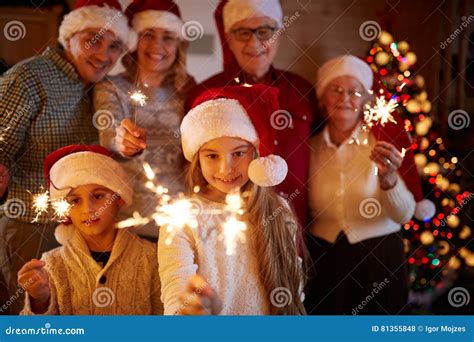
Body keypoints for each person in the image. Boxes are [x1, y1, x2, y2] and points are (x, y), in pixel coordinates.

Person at [115, 0, 317, 229]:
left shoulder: (303, 89)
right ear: (228, 38)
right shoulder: (205, 93)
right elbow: (190, 163)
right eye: (243, 32)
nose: (255, 41)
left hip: (296, 225)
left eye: (264, 31)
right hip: (228, 228)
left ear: (278, 33)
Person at [0, 0, 133, 314]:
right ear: (68, 36)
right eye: (93, 40)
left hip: (84, 229)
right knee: (31, 318)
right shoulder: (28, 78)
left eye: (114, 46)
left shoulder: (103, 88)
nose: (104, 55)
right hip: (32, 227)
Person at [158, 84, 306, 315]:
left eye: (238, 153)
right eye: (212, 156)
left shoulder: (278, 210)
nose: (226, 168)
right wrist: (193, 310)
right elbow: (175, 292)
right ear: (197, 158)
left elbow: (294, 292)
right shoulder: (180, 218)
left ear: (256, 155)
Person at [304, 55, 434, 315]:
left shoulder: (382, 145)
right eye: (336, 90)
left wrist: (389, 180)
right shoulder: (308, 148)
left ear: (365, 100)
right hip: (325, 260)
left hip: (380, 258)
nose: (345, 98)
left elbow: (404, 215)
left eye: (355, 92)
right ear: (322, 98)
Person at [17, 145, 162, 315]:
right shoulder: (51, 265)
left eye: (99, 196)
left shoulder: (151, 258)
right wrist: (40, 301)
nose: (88, 209)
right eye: (75, 201)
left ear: (119, 199)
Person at [94, 0, 196, 238]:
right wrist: (123, 140)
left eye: (168, 37)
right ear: (134, 42)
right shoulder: (111, 87)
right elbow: (108, 134)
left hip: (179, 223)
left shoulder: (189, 91)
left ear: (178, 45)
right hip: (126, 221)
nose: (157, 45)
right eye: (148, 34)